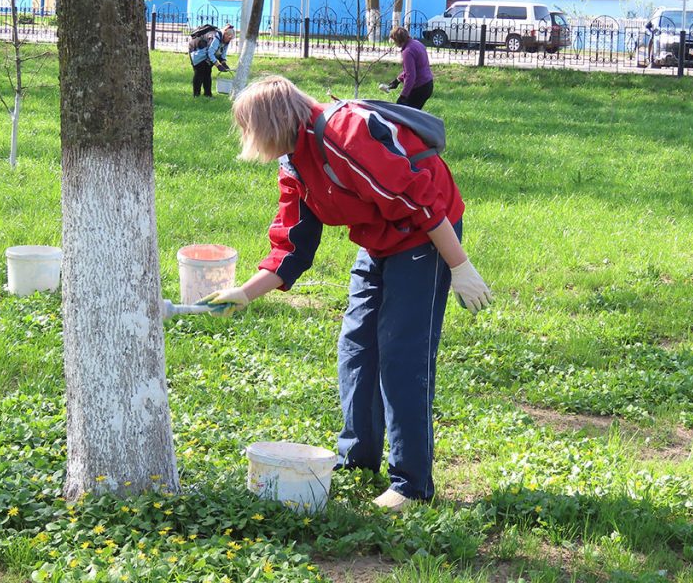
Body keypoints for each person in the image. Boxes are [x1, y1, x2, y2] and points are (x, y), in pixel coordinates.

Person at [199, 75, 492, 511]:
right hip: (379, 241)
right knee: (356, 347)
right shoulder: (294, 160)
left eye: (249, 128)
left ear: (273, 121)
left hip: (428, 235)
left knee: (402, 355)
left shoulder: (345, 134)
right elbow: (293, 246)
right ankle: (358, 459)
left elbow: (419, 199)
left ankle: (412, 484)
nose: (249, 138)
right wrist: (243, 293)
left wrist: (459, 265)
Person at [380, 26, 434, 110]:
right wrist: (398, 80)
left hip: (420, 88)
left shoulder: (407, 52)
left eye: (394, 41)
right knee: (414, 115)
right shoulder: (417, 43)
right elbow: (413, 68)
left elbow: (411, 76)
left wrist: (403, 96)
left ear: (398, 40)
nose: (394, 43)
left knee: (404, 115)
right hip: (428, 84)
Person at [189, 24, 234, 97]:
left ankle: (208, 94)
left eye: (231, 38)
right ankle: (196, 95)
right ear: (225, 34)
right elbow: (210, 53)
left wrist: (223, 63)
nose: (229, 40)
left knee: (207, 72)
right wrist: (218, 65)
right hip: (197, 51)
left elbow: (223, 52)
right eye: (229, 38)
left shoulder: (226, 40)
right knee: (199, 72)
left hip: (206, 53)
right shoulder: (215, 37)